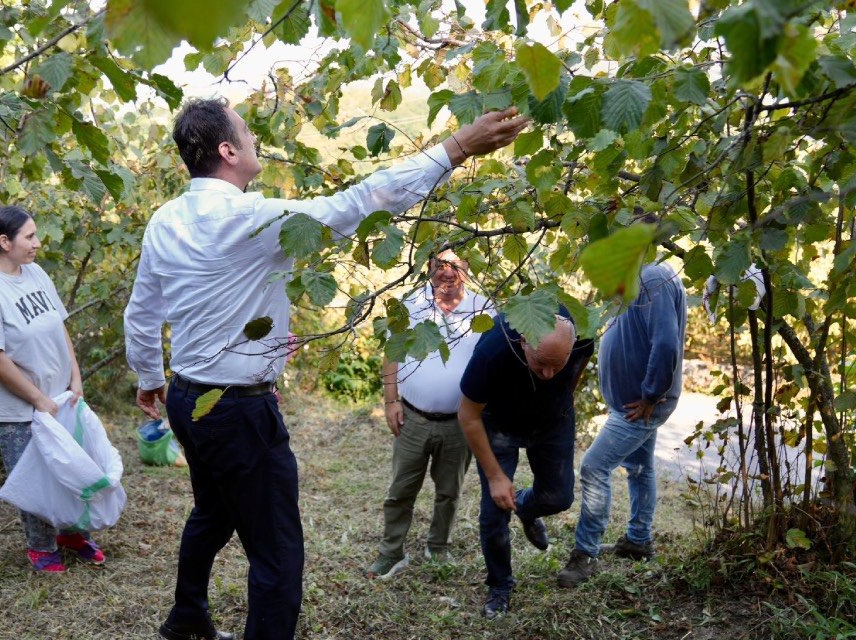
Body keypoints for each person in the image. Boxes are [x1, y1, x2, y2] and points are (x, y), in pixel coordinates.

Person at [124, 98, 528, 640]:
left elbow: (142, 311)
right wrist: (454, 150)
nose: (254, 141)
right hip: (236, 412)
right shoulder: (250, 218)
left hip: (187, 398)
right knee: (278, 557)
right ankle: (199, 621)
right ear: (227, 150)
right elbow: (361, 201)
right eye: (246, 133)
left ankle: (187, 619)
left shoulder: (165, 220)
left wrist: (150, 377)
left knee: (213, 513)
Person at [0, 205, 104, 573]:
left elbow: (59, 327)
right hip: (18, 408)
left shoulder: (36, 273)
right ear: (5, 242)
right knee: (34, 478)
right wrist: (37, 400)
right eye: (30, 236)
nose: (38, 243)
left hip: (58, 400)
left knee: (69, 469)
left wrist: (75, 376)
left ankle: (72, 534)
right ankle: (41, 546)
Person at [557, 261, 687, 588]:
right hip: (633, 405)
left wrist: (651, 394)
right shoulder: (636, 277)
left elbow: (667, 342)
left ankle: (585, 555)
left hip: (640, 406)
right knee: (640, 468)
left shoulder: (653, 276)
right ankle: (638, 541)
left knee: (593, 467)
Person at [458, 312, 594, 619]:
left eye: (556, 365)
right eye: (540, 362)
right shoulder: (493, 350)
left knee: (559, 497)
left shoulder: (583, 336)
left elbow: (578, 368)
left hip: (552, 421)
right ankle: (500, 586)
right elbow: (467, 415)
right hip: (498, 423)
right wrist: (495, 476)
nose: (548, 373)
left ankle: (525, 508)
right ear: (523, 343)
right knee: (494, 513)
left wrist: (559, 395)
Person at [366, 249, 491, 579]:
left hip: (460, 422)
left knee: (449, 491)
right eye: (440, 266)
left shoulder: (483, 308)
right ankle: (391, 552)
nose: (447, 273)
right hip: (413, 418)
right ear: (428, 268)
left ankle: (438, 547)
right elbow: (392, 352)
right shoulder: (410, 304)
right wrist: (391, 401)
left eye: (455, 266)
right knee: (400, 490)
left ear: (467, 268)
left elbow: (493, 359)